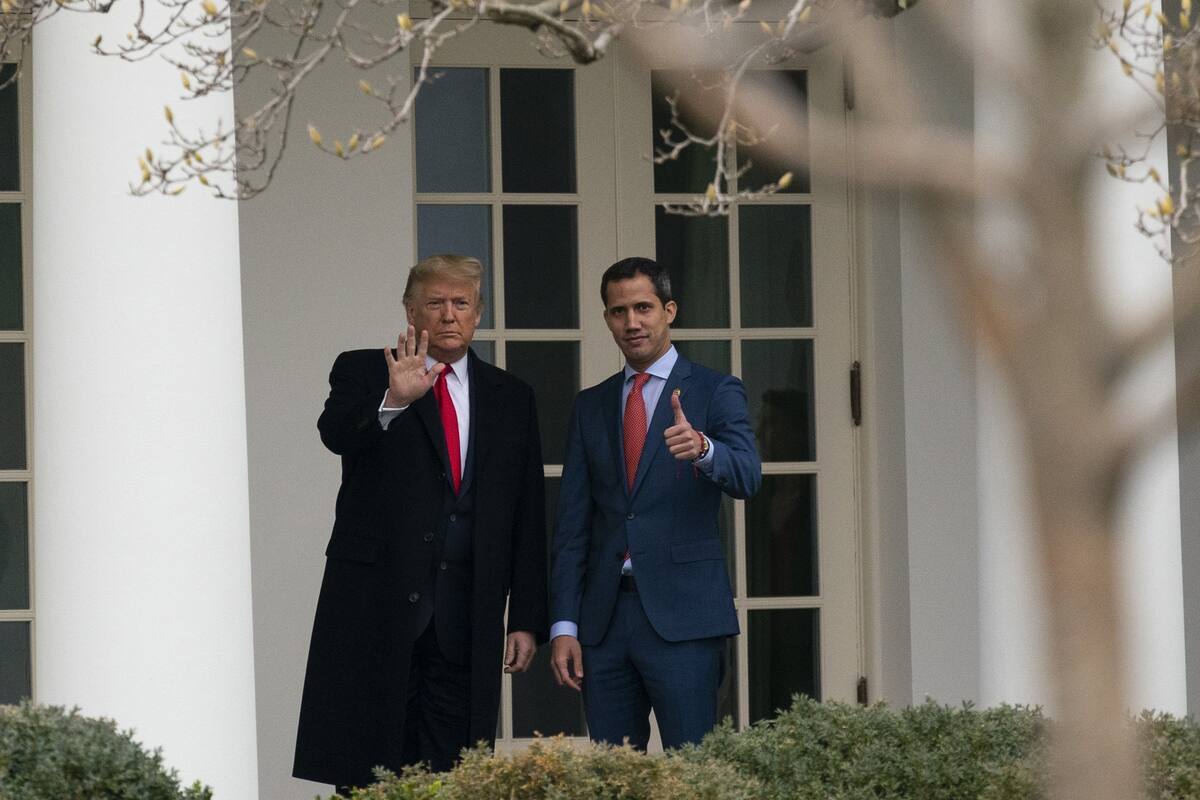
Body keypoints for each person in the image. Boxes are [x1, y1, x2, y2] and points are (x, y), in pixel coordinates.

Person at [293, 254, 547, 791]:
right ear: (411, 311)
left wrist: (526, 616)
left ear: (479, 313)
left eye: (461, 303)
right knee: (370, 770)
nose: (449, 315)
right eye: (435, 303)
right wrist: (393, 400)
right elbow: (336, 434)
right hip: (378, 607)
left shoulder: (512, 397)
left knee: (455, 774)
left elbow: (526, 516)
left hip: (468, 614)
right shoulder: (365, 369)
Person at [549, 256, 761, 751]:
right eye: (618, 311)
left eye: (643, 307)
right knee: (614, 778)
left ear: (669, 310)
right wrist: (564, 624)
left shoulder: (715, 390)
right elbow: (572, 525)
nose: (632, 322)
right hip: (604, 625)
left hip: (684, 621)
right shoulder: (591, 405)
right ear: (607, 319)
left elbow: (748, 476)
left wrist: (706, 449)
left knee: (693, 773)